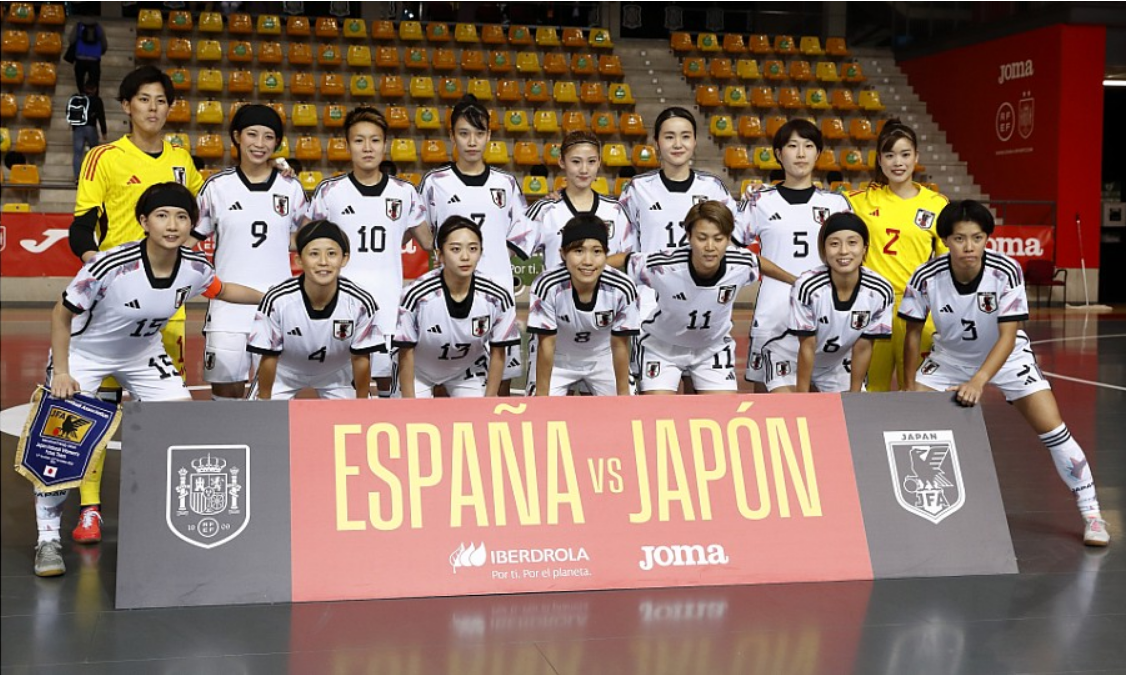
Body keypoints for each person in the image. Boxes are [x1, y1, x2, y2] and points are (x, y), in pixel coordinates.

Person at [34, 183, 263, 577]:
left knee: (181, 426)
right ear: (144, 221)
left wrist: (271, 297)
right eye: (162, 215)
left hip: (141, 354)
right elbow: (61, 313)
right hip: (85, 353)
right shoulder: (110, 265)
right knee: (60, 443)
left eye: (181, 216)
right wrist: (64, 371)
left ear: (192, 223)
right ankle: (47, 538)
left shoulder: (194, 268)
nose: (172, 224)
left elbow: (223, 290)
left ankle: (164, 518)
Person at [901, 200, 1109, 547]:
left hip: (1007, 356)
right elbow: (911, 334)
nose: (969, 247)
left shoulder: (1005, 270)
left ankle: (1093, 515)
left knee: (1053, 428)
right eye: (959, 239)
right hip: (950, 358)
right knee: (907, 424)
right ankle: (918, 513)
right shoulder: (926, 276)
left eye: (977, 238)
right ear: (945, 241)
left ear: (987, 238)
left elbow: (1009, 335)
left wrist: (979, 380)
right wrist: (908, 386)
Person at [66, 65, 203, 545]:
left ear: (169, 107)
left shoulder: (183, 159)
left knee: (163, 415)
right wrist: (95, 265)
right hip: (110, 310)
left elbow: (199, 222)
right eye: (143, 99)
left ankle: (161, 505)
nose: (152, 108)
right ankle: (89, 509)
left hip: (167, 309)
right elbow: (81, 226)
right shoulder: (104, 157)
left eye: (161, 100)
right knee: (96, 414)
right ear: (126, 106)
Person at [306, 107, 431, 397]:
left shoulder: (405, 192)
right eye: (359, 140)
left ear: (385, 145)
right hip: (341, 305)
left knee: (389, 382)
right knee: (346, 384)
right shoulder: (329, 192)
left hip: (389, 303)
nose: (367, 148)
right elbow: (308, 242)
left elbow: (430, 242)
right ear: (347, 145)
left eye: (374, 140)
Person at [193, 104, 307, 401]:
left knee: (275, 395)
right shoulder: (217, 187)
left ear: (277, 143)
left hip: (277, 308)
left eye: (268, 137)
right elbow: (189, 240)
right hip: (227, 308)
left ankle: (271, 448)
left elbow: (305, 239)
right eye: (252, 134)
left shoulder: (291, 187)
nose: (259, 144)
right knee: (226, 393)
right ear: (236, 137)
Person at [623, 201, 793, 395]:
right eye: (702, 238)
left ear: (729, 239)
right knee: (657, 415)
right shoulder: (663, 265)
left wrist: (795, 281)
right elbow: (625, 261)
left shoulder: (740, 262)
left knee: (722, 417)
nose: (710, 247)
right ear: (689, 236)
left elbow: (758, 262)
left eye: (718, 239)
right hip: (663, 348)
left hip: (712, 349)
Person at [418, 95, 527, 394]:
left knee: (499, 385)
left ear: (489, 136)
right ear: (452, 135)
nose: (472, 142)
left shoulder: (505, 184)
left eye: (479, 134)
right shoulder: (434, 182)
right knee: (444, 378)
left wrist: (492, 257)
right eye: (464, 133)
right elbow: (423, 234)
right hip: (447, 297)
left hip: (497, 294)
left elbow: (520, 234)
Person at [739, 119, 853, 392]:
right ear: (779, 154)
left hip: (827, 313)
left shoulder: (836, 203)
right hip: (774, 314)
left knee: (832, 409)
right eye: (792, 146)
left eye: (808, 145)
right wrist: (792, 279)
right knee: (771, 404)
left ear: (818, 153)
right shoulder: (759, 201)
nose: (801, 153)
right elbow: (735, 251)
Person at [847, 118, 947, 391]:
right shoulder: (858, 201)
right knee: (869, 391)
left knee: (916, 391)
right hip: (872, 305)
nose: (898, 162)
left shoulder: (936, 205)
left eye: (905, 154)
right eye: (890, 155)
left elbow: (946, 265)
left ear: (916, 157)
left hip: (917, 309)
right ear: (879, 160)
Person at [247, 220, 384, 401]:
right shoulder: (276, 300)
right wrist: (264, 402)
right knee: (261, 422)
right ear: (299, 260)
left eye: (332, 254)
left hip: (337, 374)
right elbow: (269, 357)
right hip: (284, 372)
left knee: (356, 421)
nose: (323, 262)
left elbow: (361, 358)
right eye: (314, 254)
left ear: (344, 259)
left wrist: (361, 403)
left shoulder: (360, 302)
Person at [396, 216, 520, 398]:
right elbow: (405, 352)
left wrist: (489, 400)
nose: (465, 257)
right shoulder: (416, 295)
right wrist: (408, 404)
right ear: (440, 255)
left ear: (480, 252)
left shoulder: (497, 296)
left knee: (480, 419)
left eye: (473, 249)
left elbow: (498, 352)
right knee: (409, 417)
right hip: (417, 370)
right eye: (455, 249)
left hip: (467, 370)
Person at [526, 215, 639, 397]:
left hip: (603, 358)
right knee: (540, 415)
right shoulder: (546, 285)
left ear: (605, 253)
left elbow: (620, 346)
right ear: (563, 253)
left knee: (626, 413)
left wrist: (624, 396)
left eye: (597, 251)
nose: (588, 261)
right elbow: (546, 345)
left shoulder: (622, 287)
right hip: (558, 359)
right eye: (578, 251)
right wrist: (541, 397)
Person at [790, 212, 894, 393]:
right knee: (790, 409)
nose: (844, 251)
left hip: (835, 364)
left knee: (852, 412)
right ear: (823, 250)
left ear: (865, 248)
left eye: (852, 243)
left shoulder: (880, 291)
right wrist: (802, 397)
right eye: (834, 244)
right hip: (791, 357)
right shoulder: (806, 286)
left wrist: (854, 394)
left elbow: (863, 347)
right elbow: (807, 345)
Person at [513, 131, 634, 268]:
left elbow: (629, 257)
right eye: (576, 161)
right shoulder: (545, 210)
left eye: (591, 161)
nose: (584, 169)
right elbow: (510, 254)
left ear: (599, 162)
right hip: (559, 289)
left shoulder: (615, 210)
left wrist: (588, 270)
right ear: (561, 161)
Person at [68, 83, 107, 181]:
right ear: (95, 89)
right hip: (90, 128)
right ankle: (94, 176)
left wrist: (73, 126)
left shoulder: (76, 99)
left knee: (77, 153)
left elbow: (69, 112)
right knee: (94, 152)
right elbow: (101, 116)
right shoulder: (96, 100)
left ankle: (77, 177)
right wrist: (104, 131)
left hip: (78, 129)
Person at [67, 17, 107, 91]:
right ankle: (94, 98)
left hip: (80, 58)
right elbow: (104, 44)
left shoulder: (78, 26)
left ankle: (82, 94)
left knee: (80, 80)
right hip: (95, 59)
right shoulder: (98, 27)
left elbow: (71, 40)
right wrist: (101, 52)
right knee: (94, 81)